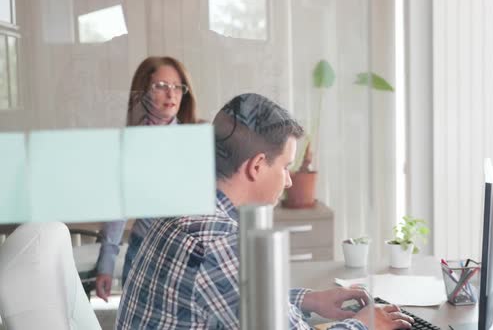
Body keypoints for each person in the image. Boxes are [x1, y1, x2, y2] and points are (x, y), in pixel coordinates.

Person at [115, 93, 414, 329]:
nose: (288, 181)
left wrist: (307, 300)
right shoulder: (217, 241)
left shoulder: (187, 210)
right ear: (256, 166)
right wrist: (362, 325)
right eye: (285, 167)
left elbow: (227, 296)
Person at [95, 56, 198, 302]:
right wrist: (106, 264)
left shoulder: (193, 141)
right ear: (143, 92)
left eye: (177, 86)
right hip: (143, 250)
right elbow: (118, 207)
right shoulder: (129, 144)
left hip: (185, 253)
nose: (171, 94)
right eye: (161, 86)